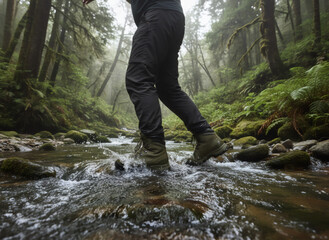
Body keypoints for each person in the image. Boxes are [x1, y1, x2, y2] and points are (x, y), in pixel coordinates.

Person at [83, 0, 227, 170]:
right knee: (168, 88)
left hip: (156, 17)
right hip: (174, 19)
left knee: (138, 79)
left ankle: (154, 152)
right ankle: (206, 137)